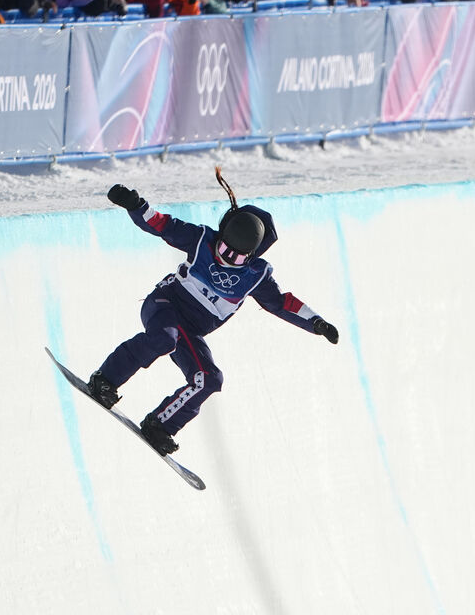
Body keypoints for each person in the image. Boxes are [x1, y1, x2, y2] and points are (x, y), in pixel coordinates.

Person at [87, 181, 339, 454]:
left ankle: (160, 425)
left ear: (251, 255)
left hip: (190, 331)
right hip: (164, 305)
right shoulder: (201, 240)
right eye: (223, 249)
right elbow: (163, 225)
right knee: (163, 338)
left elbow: (281, 303)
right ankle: (106, 379)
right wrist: (135, 205)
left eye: (236, 256)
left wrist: (316, 323)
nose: (226, 259)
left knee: (210, 378)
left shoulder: (256, 275)